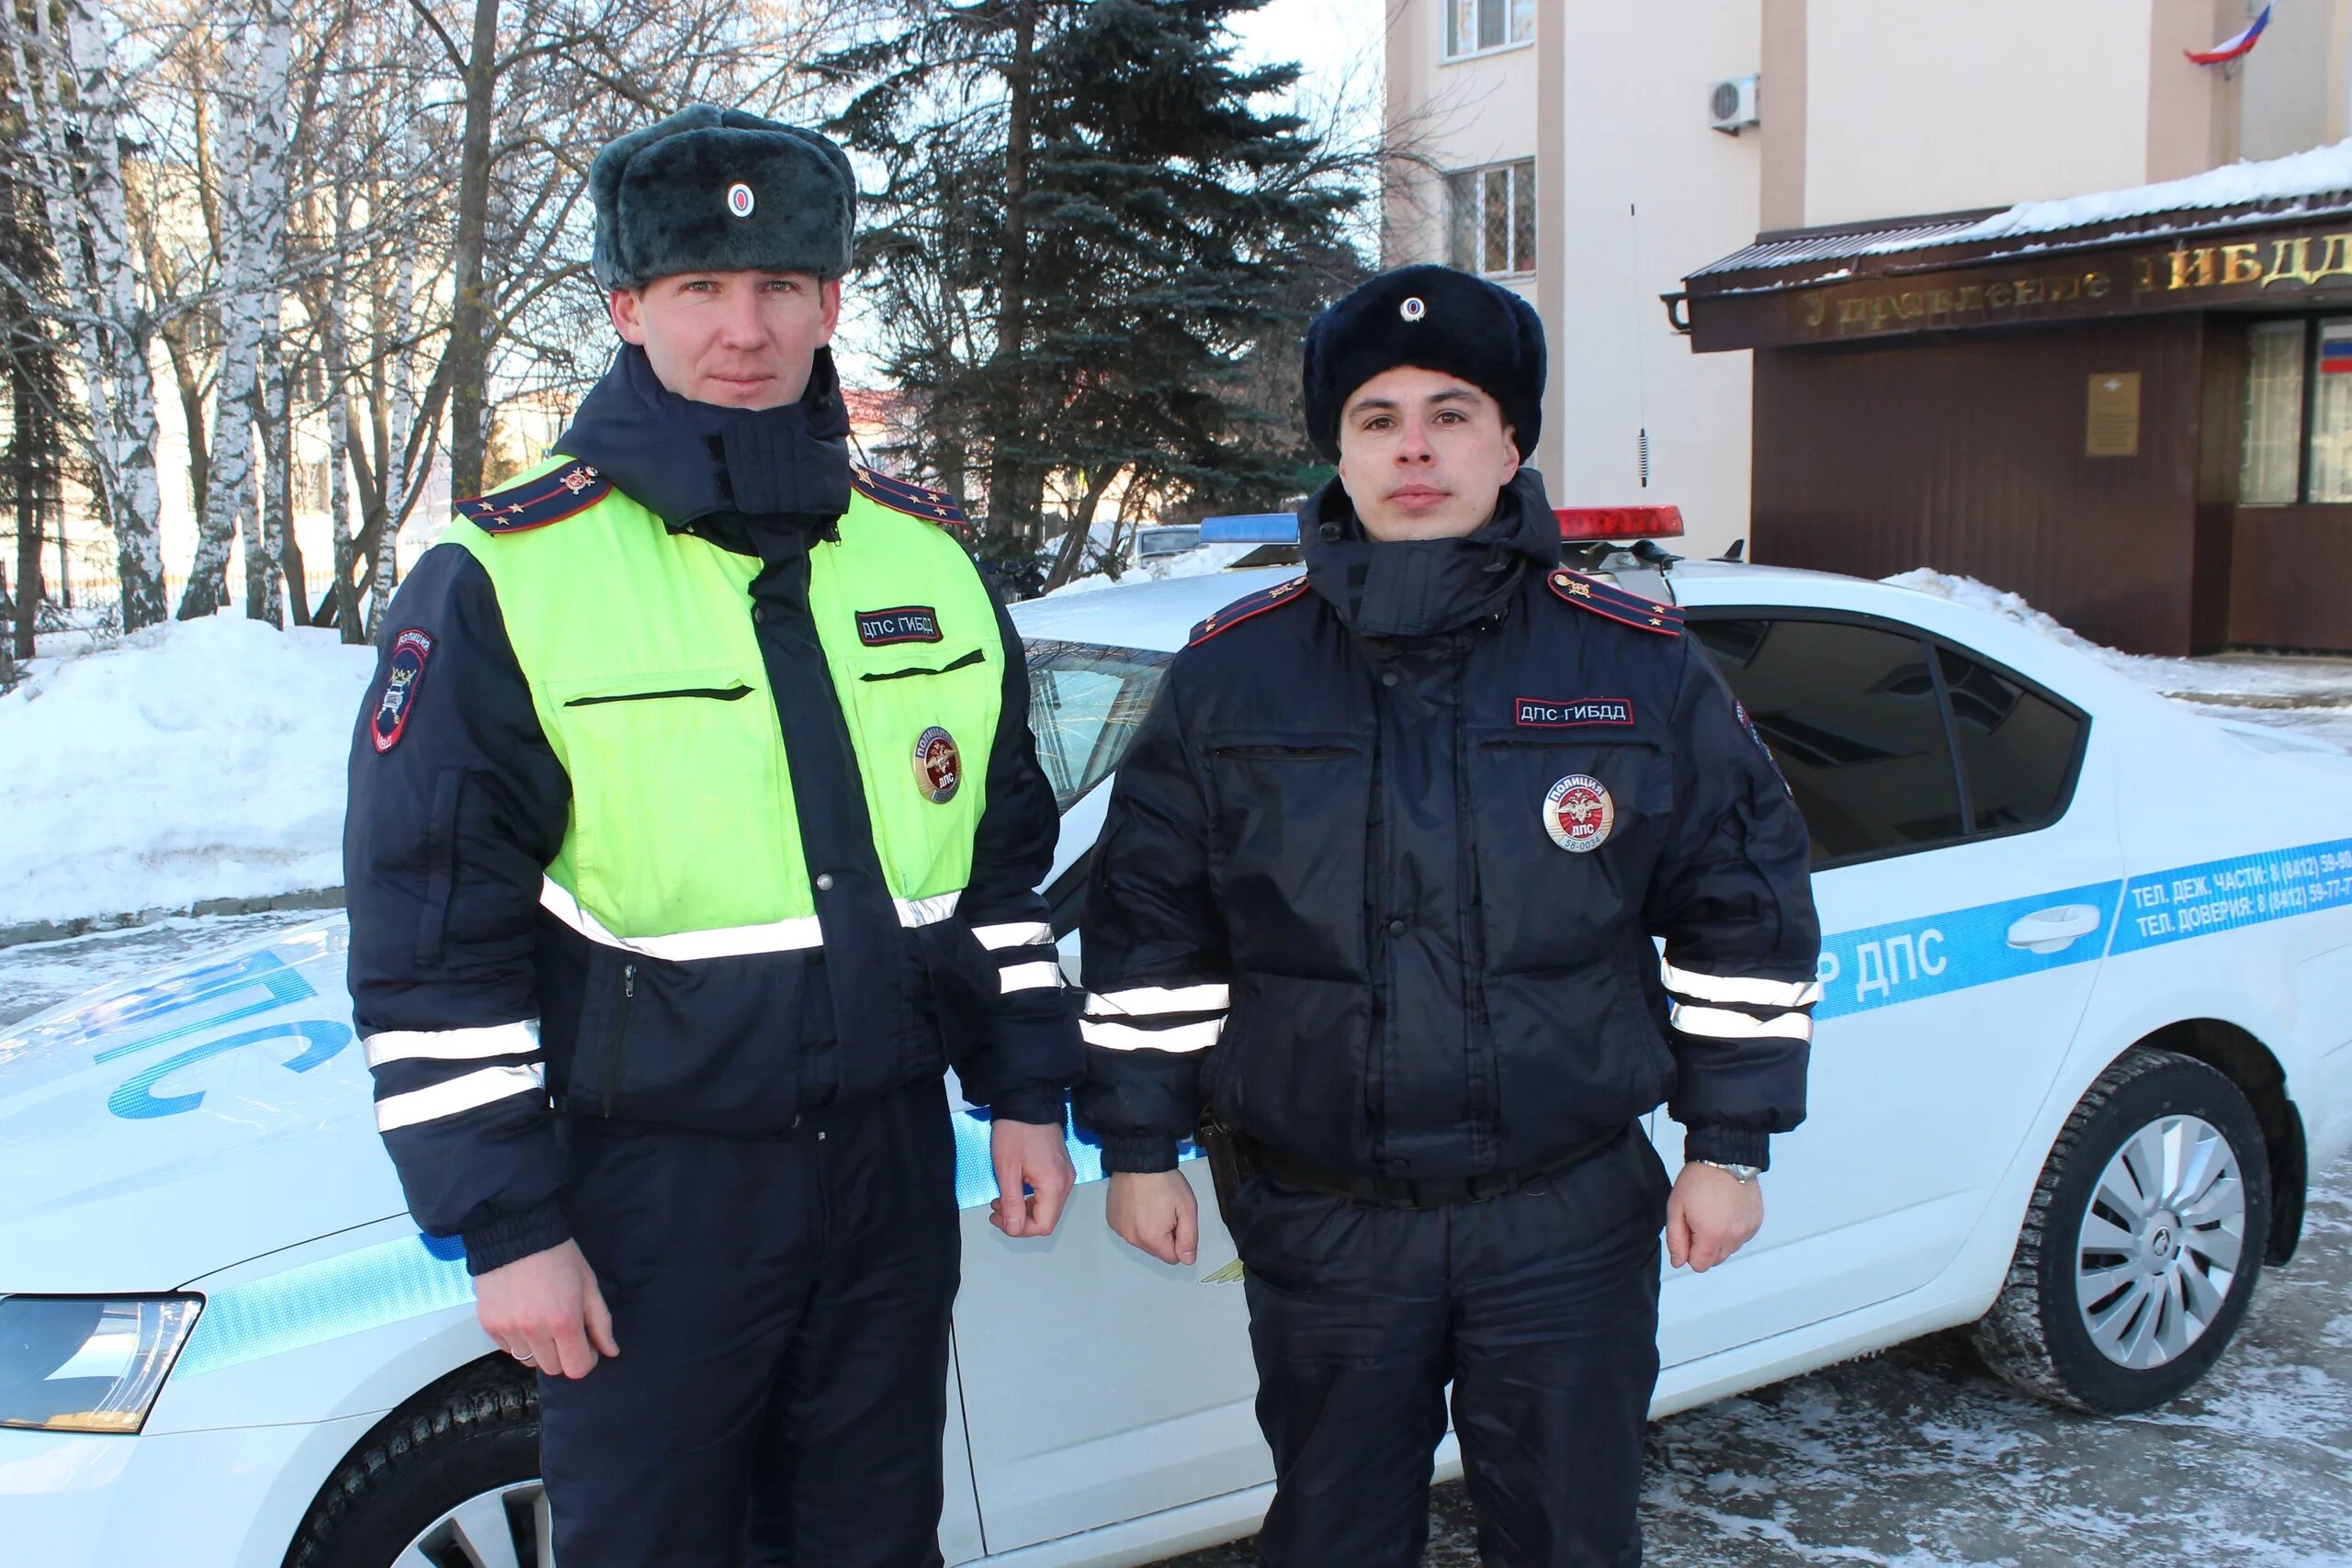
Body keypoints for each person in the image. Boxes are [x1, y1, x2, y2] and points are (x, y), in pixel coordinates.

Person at [344, 105, 1080, 1568]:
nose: (743, 328)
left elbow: (996, 871)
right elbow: (432, 940)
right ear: (628, 308)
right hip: (650, 1194)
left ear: (830, 301)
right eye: (697, 289)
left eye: (780, 288)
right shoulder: (504, 575)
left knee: (871, 1540)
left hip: (884, 1176)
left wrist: (1024, 1091)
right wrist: (505, 1225)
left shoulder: (925, 557)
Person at [1074, 264, 1822, 1568]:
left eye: (1452, 411)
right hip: (1323, 1223)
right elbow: (1150, 928)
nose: (1415, 447)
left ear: (1512, 440)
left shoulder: (1630, 666)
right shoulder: (1231, 672)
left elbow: (1743, 907)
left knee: (1570, 1539)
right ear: (1339, 449)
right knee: (1332, 1538)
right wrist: (1140, 1145)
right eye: (1377, 418)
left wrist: (1731, 1139)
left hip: (1566, 1219)